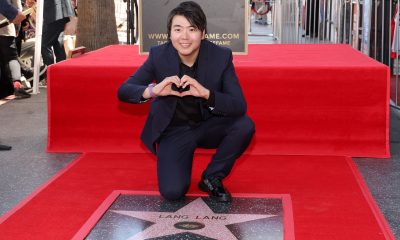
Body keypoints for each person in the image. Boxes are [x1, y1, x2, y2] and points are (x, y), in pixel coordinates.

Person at [118, 1, 255, 202]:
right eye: (178, 29)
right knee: (172, 192)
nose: (184, 37)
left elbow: (239, 105)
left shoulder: (221, 56)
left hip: (209, 124)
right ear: (170, 33)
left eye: (192, 29)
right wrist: (153, 91)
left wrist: (207, 94)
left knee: (244, 126)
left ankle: (212, 177)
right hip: (175, 129)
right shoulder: (159, 55)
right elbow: (124, 90)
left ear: (203, 33)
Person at [0, 0, 30, 99]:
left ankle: (6, 90)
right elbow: (17, 10)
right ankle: (17, 85)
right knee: (12, 58)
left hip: (5, 26)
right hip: (6, 28)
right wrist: (18, 28)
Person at [41, 0, 75, 66]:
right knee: (58, 42)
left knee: (44, 44)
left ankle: (51, 71)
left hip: (54, 10)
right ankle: (61, 70)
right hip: (59, 9)